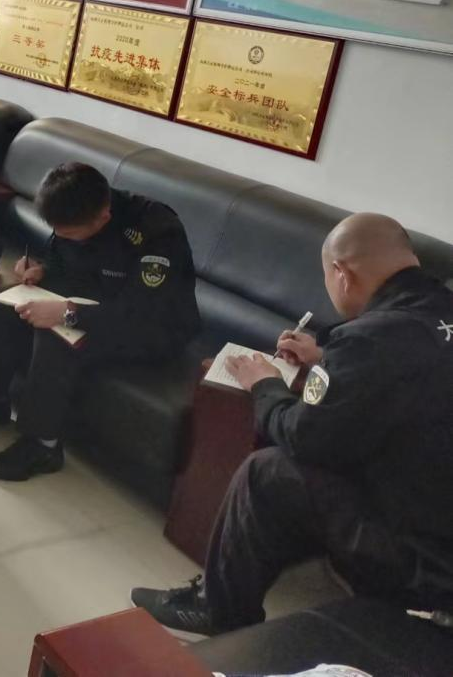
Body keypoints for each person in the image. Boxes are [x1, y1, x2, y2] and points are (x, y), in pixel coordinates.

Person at [132, 214, 453, 637]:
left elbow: (304, 437)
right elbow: (411, 378)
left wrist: (264, 384)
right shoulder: (436, 308)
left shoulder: (370, 339)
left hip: (425, 562)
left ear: (341, 274)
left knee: (267, 472)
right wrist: (329, 360)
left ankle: (219, 609)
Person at [0, 163, 199, 481]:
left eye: (70, 233)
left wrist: (67, 312)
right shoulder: (72, 205)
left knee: (58, 333)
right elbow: (63, 259)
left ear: (103, 217)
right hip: (94, 305)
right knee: (4, 307)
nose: (63, 236)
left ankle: (43, 445)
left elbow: (140, 312)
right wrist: (41, 271)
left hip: (152, 328)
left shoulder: (157, 231)